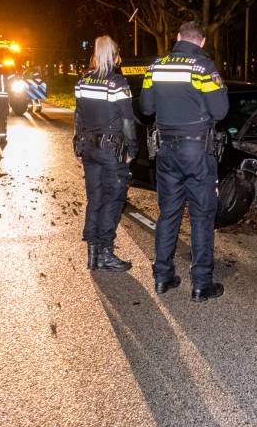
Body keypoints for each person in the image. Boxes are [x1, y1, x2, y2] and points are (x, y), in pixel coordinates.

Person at [140, 21, 229, 302]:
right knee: (202, 216)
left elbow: (145, 108)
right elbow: (221, 110)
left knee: (169, 214)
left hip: (166, 150)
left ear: (177, 37)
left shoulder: (155, 67)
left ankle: (162, 277)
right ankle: (201, 284)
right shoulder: (204, 67)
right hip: (197, 152)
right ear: (201, 42)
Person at [73, 35, 137, 272]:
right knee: (113, 199)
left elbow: (78, 117)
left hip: (89, 147)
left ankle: (93, 254)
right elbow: (128, 120)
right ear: (114, 54)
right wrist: (132, 149)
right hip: (111, 150)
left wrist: (78, 147)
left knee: (95, 198)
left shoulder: (83, 82)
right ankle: (106, 253)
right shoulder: (117, 83)